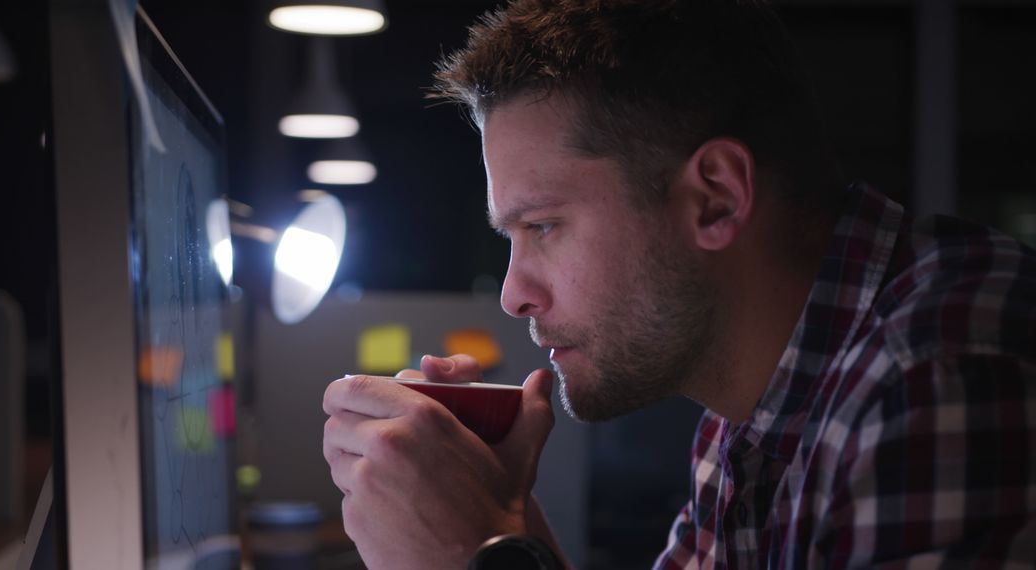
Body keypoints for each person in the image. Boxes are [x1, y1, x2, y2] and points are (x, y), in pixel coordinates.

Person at [322, 0, 1036, 568]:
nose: (514, 295)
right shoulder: (749, 414)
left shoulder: (938, 379)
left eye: (542, 226)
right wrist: (503, 519)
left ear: (715, 199)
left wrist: (472, 555)